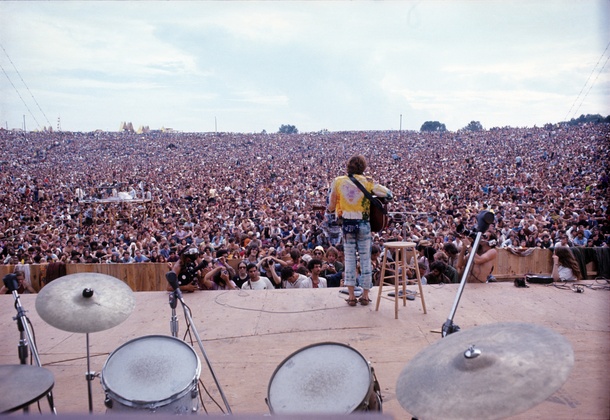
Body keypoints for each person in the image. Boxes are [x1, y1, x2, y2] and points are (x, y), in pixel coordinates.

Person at [327, 154, 393, 306]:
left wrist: (333, 209)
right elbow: (389, 194)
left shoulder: (338, 181)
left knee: (349, 260)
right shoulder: (368, 181)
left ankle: (351, 296)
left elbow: (331, 205)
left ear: (348, 166)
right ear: (363, 167)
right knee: (365, 259)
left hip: (347, 224)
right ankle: (365, 295)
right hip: (364, 224)